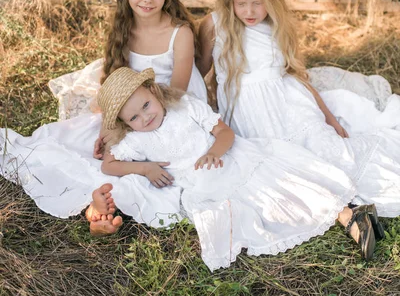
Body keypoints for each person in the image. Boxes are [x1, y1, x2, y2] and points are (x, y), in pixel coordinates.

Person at [0, 0, 207, 235]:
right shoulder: (124, 27)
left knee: (158, 161)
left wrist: (132, 125)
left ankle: (105, 206)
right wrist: (110, 125)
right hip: (129, 105)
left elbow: (176, 93)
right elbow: (113, 79)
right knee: (83, 145)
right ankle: (97, 206)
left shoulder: (179, 33)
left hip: (168, 109)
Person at [90, 66, 380, 270]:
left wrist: (215, 152)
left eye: (146, 105)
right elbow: (109, 166)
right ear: (125, 124)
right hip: (204, 184)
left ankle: (349, 215)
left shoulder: (185, 108)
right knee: (258, 206)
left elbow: (225, 132)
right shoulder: (137, 139)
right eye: (134, 118)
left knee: (280, 184)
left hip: (231, 159)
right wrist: (145, 169)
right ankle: (352, 217)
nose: (145, 117)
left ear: (154, 91)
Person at [197, 0, 400, 221]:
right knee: (285, 162)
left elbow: (295, 75)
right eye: (241, 3)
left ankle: (356, 198)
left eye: (257, 3)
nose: (249, 11)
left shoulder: (276, 26)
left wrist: (327, 116)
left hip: (291, 101)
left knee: (325, 147)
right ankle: (344, 210)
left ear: (271, 0)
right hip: (250, 112)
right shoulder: (215, 24)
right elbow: (199, 70)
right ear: (229, 1)